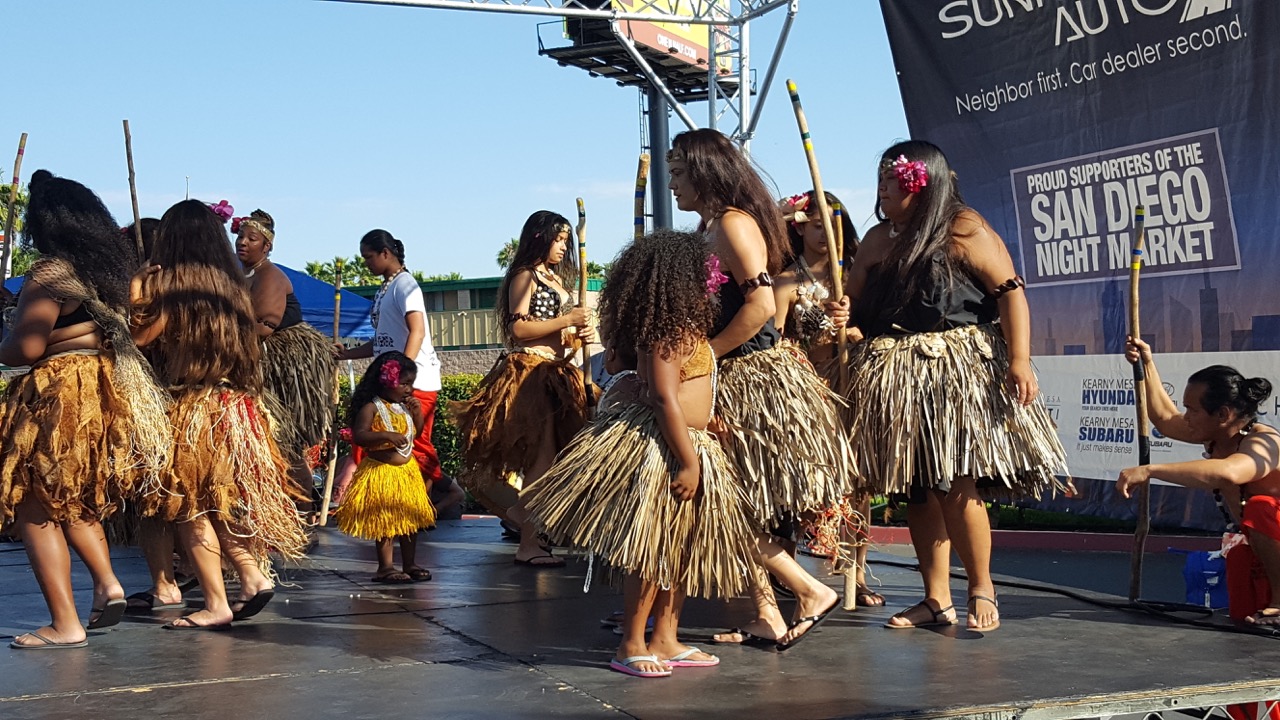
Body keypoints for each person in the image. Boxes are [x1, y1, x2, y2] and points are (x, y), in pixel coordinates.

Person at [845, 140, 1066, 633]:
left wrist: (1020, 360)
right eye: (879, 181)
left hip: (955, 371)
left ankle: (981, 585)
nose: (881, 190)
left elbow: (1010, 294)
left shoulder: (964, 228)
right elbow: (853, 304)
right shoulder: (878, 239)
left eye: (890, 181)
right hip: (897, 374)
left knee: (956, 480)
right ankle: (935, 598)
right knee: (919, 489)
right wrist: (841, 314)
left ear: (922, 184)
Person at [525, 230, 756, 676]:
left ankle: (666, 638)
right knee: (654, 550)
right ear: (679, 280)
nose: (712, 282)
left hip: (690, 441)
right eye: (704, 275)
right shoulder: (667, 330)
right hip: (667, 449)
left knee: (680, 548)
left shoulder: (685, 327)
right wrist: (688, 460)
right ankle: (632, 641)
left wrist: (708, 423)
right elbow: (664, 398)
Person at [666, 129, 854, 650]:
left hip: (751, 380)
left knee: (725, 501)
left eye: (678, 173)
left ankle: (810, 591)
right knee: (730, 503)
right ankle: (767, 614)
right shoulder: (710, 227)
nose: (672, 183)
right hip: (726, 377)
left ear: (704, 172)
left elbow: (762, 306)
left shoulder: (733, 223)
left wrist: (705, 355)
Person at [0, 170, 169, 648]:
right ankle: (107, 583)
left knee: (33, 506)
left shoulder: (52, 273)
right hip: (104, 390)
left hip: (59, 393)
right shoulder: (107, 273)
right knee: (72, 498)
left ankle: (65, 624)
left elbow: (27, 348)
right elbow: (134, 334)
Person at [131, 199, 309, 629]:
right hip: (236, 407)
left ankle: (216, 603)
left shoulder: (173, 286)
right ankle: (251, 576)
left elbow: (140, 338)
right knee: (218, 502)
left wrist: (137, 290)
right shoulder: (232, 287)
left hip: (194, 407)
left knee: (189, 507)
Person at [451, 210, 595, 567]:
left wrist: (580, 333)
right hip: (532, 373)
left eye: (565, 241)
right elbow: (519, 329)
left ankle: (524, 517)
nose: (562, 247)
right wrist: (567, 319)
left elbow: (557, 329)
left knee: (557, 458)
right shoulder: (524, 275)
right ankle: (529, 543)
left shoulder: (554, 279)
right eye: (557, 239)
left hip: (558, 372)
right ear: (539, 238)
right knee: (540, 460)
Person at [1117, 340, 1280, 627]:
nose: (1186, 417)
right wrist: (1147, 364)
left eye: (1192, 410)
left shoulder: (1265, 442)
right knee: (1240, 572)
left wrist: (1151, 470)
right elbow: (1165, 419)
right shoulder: (1217, 433)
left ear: (1223, 415)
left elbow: (1229, 472)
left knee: (1260, 507)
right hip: (1262, 554)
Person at [775, 190, 882, 608]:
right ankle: (790, 570)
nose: (825, 234)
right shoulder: (787, 280)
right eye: (817, 225)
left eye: (832, 226)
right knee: (799, 479)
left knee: (857, 481)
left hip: (851, 385)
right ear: (801, 228)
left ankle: (857, 572)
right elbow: (774, 340)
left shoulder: (855, 275)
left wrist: (852, 329)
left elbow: (874, 326)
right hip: (806, 391)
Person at [337, 231, 465, 523]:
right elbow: (382, 342)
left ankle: (443, 496)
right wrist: (346, 355)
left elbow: (417, 331)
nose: (366, 264)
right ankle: (406, 508)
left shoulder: (406, 285)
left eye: (369, 257)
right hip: (393, 382)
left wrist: (402, 376)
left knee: (413, 444)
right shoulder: (386, 288)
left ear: (385, 253)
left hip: (414, 382)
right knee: (376, 440)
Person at [234, 208, 335, 509]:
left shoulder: (270, 276)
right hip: (256, 357)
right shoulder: (242, 274)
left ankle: (302, 511)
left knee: (285, 440)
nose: (243, 242)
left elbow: (264, 326)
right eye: (240, 236)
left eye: (252, 239)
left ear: (267, 246)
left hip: (282, 365)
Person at [336, 351, 437, 582]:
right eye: (404, 384)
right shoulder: (371, 408)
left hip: (407, 473)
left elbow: (416, 434)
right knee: (386, 521)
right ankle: (386, 567)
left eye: (411, 384)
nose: (409, 389)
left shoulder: (403, 407)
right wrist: (385, 435)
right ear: (386, 380)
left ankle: (410, 564)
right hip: (382, 473)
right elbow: (360, 436)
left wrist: (417, 415)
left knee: (410, 520)